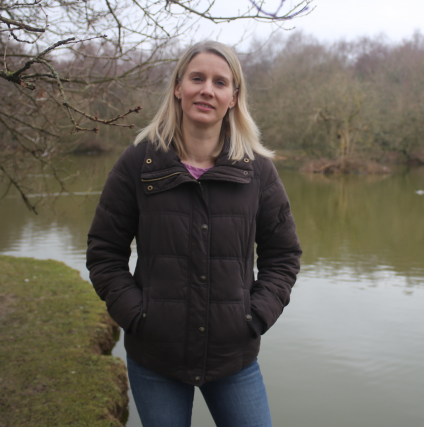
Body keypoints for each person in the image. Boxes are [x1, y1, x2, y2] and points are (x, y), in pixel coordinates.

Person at [86, 41, 301, 427]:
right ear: (177, 87)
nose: (207, 90)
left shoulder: (257, 171)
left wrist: (254, 316)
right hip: (156, 356)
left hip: (233, 356)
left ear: (234, 98)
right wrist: (137, 316)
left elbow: (283, 255)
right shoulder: (139, 162)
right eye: (197, 78)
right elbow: (104, 252)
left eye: (220, 82)